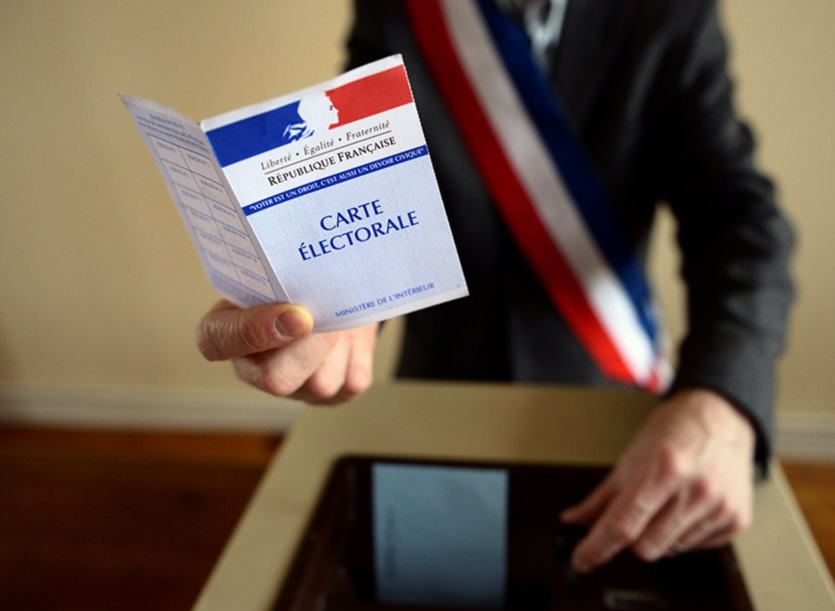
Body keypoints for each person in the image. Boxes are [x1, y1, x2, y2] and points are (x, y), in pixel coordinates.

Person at [196, 0, 794, 574]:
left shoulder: (672, 9)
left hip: (606, 401)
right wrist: (335, 300)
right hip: (440, 391)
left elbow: (735, 216)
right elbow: (369, 168)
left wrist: (723, 397)